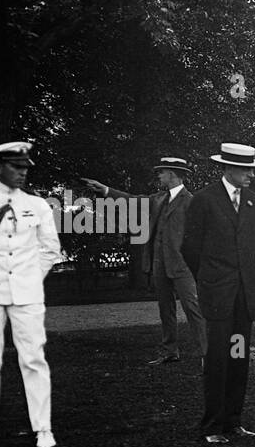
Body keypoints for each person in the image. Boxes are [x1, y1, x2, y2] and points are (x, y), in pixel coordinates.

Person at [0, 141, 64, 447]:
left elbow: (50, 250)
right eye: (15, 167)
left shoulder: (38, 205)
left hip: (27, 292)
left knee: (33, 358)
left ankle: (43, 428)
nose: (22, 173)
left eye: (24, 169)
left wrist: (31, 278)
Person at [180, 142, 255, 443]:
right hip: (217, 297)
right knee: (217, 358)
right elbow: (189, 247)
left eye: (253, 170)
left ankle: (233, 421)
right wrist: (209, 280)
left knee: (239, 357)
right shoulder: (204, 200)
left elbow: (252, 247)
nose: (251, 176)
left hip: (244, 298)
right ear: (228, 168)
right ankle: (212, 426)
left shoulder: (254, 202)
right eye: (246, 170)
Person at [84, 156, 206, 366]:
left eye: (162, 172)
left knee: (192, 308)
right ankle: (170, 351)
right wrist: (105, 190)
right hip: (159, 263)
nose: (158, 175)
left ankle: (209, 353)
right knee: (165, 309)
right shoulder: (157, 198)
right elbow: (131, 199)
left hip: (182, 265)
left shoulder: (191, 201)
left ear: (172, 174)